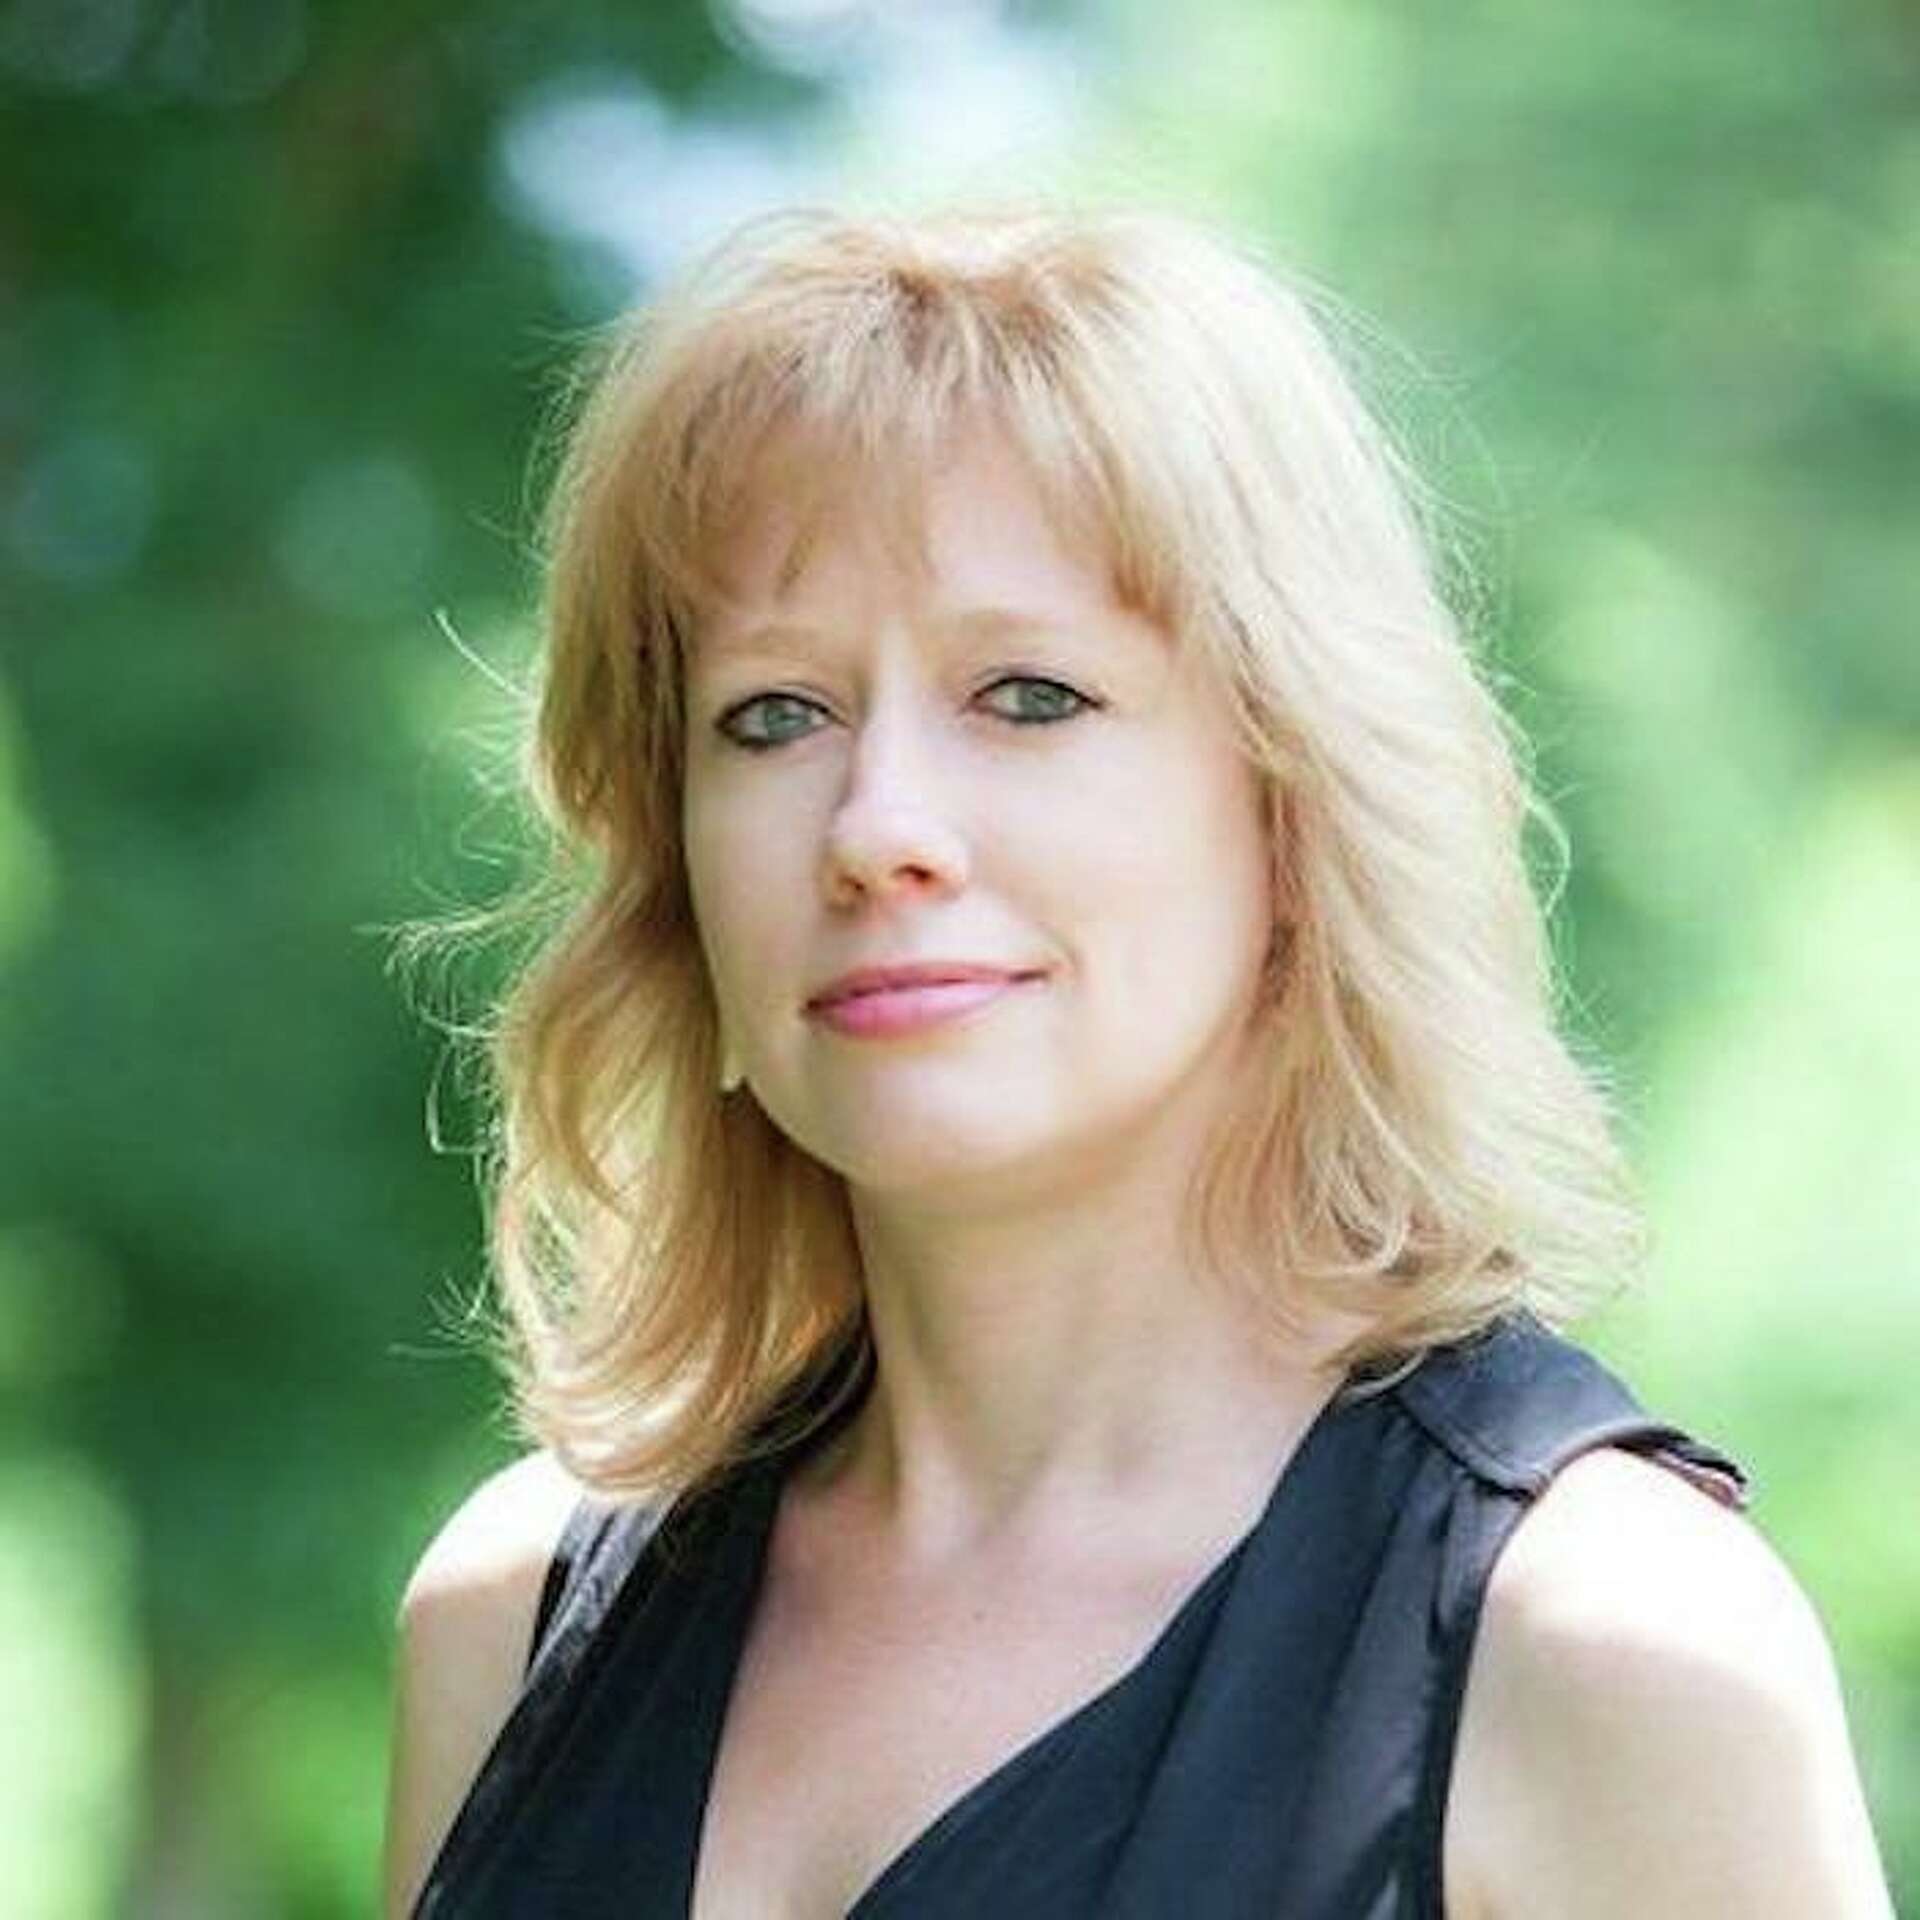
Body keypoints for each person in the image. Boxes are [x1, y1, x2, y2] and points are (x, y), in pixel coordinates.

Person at [381, 202, 1894, 1918]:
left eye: (1029, 695)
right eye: (773, 714)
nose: (877, 828)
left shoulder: (1611, 1654)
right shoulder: (509, 1626)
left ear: (1296, 801)